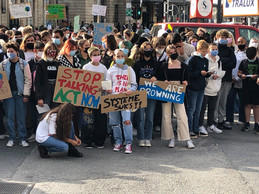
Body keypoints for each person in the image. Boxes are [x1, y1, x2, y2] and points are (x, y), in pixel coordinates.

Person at [159, 45, 194, 149]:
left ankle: (187, 138)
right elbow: (159, 79)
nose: (173, 54)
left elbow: (188, 79)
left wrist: (186, 82)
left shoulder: (183, 66)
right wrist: (163, 82)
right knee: (166, 116)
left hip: (179, 91)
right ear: (167, 54)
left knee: (182, 116)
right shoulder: (164, 65)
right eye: (170, 52)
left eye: (174, 52)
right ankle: (170, 138)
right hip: (167, 91)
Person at [0, 41, 32, 147]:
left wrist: (26, 94)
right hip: (8, 94)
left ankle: (22, 137)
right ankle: (11, 137)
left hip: (20, 93)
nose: (10, 53)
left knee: (21, 117)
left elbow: (28, 80)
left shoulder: (23, 64)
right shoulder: (3, 64)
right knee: (9, 117)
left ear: (17, 52)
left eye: (12, 51)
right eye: (8, 51)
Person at [106, 49, 137, 154]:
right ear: (114, 57)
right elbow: (107, 84)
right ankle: (118, 142)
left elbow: (134, 84)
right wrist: (108, 89)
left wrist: (131, 90)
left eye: (122, 56)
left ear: (125, 57)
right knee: (115, 123)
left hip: (125, 99)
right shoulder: (110, 70)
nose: (120, 58)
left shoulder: (129, 69)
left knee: (127, 121)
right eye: (118, 56)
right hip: (113, 99)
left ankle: (128, 143)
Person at [133, 42, 159, 147]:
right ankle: (141, 137)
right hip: (140, 93)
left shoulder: (156, 63)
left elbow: (160, 76)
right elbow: (134, 78)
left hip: (152, 93)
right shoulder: (138, 63)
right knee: (140, 117)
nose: (148, 50)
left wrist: (156, 78)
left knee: (150, 117)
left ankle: (148, 137)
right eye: (146, 48)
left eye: (150, 48)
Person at [82, 47, 108, 148]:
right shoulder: (86, 67)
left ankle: (99, 141)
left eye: (98, 54)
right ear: (90, 56)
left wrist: (103, 87)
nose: (97, 56)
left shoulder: (103, 68)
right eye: (95, 55)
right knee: (88, 120)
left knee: (100, 120)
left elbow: (107, 81)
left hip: (100, 98)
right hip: (89, 98)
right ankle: (88, 140)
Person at [199, 43, 225, 134]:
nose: (215, 51)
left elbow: (221, 71)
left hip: (215, 87)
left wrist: (218, 76)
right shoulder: (205, 59)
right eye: (212, 49)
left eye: (216, 49)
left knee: (212, 108)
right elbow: (204, 73)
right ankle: (200, 125)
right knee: (202, 109)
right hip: (206, 88)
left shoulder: (219, 60)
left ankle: (211, 124)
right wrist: (210, 76)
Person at [186, 40, 210, 138]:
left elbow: (205, 72)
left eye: (206, 51)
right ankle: (189, 128)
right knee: (191, 109)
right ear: (198, 50)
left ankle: (196, 128)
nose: (205, 53)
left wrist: (208, 73)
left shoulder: (205, 60)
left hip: (201, 87)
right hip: (192, 88)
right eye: (203, 51)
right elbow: (189, 74)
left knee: (198, 110)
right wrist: (199, 73)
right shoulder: (192, 59)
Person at [214, 29, 236, 129]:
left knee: (223, 99)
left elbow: (233, 63)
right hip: (216, 78)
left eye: (224, 38)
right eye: (221, 38)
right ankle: (213, 119)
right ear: (217, 38)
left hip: (226, 78)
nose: (222, 39)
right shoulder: (215, 49)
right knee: (216, 99)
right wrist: (225, 61)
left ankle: (221, 119)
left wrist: (223, 61)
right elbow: (216, 62)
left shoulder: (230, 50)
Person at [26, 41, 45, 142]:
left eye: (43, 50)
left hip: (43, 94)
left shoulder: (45, 63)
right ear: (35, 51)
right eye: (40, 51)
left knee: (42, 116)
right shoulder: (29, 63)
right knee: (33, 116)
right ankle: (34, 132)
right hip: (32, 94)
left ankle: (41, 134)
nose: (41, 52)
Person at [226, 36, 247, 125]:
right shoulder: (234, 53)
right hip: (232, 79)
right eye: (238, 42)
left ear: (245, 43)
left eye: (242, 42)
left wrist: (238, 78)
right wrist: (232, 77)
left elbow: (245, 68)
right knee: (230, 99)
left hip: (241, 80)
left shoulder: (247, 55)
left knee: (242, 101)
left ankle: (242, 119)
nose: (240, 44)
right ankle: (229, 119)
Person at [238, 47, 259, 134]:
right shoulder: (244, 62)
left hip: (256, 87)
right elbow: (239, 72)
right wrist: (241, 75)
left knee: (256, 105)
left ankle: (256, 124)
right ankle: (247, 123)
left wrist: (257, 76)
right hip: (246, 86)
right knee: (247, 104)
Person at [35, 42, 60, 109]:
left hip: (56, 91)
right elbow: (37, 82)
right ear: (45, 51)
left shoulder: (58, 63)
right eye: (49, 49)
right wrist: (39, 97)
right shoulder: (41, 63)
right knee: (44, 113)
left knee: (55, 112)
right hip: (45, 91)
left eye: (53, 49)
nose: (52, 51)